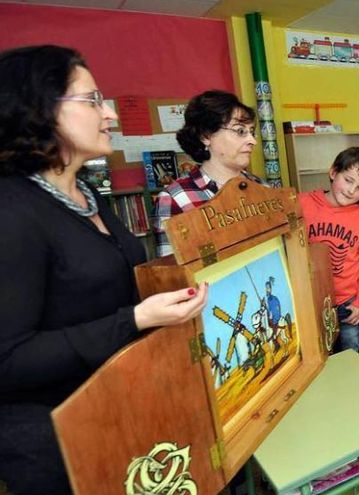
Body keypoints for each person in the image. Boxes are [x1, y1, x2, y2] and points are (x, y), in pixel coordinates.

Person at [0, 45, 208, 494]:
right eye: (92, 100)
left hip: (116, 406)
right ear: (38, 107)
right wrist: (137, 319)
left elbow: (111, 283)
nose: (110, 113)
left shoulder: (89, 194)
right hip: (57, 437)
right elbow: (9, 358)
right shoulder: (11, 209)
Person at [154, 90, 263, 257]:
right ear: (206, 136)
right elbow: (175, 273)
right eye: (240, 131)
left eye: (252, 132)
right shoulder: (175, 199)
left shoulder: (261, 187)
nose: (252, 141)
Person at [299, 147, 359, 352]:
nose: (352, 191)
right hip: (310, 300)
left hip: (347, 302)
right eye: (348, 180)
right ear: (333, 172)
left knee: (349, 353)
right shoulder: (302, 204)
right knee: (315, 355)